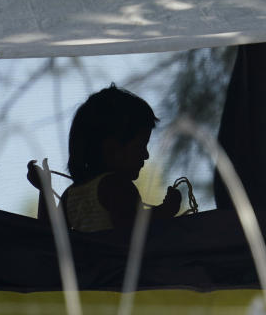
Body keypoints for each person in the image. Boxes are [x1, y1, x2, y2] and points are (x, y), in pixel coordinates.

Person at [28, 84, 181, 232]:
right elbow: (133, 230)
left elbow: (49, 234)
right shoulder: (116, 186)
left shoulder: (71, 195)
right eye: (140, 146)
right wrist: (166, 210)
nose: (146, 155)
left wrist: (45, 189)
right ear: (112, 149)